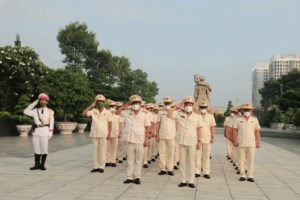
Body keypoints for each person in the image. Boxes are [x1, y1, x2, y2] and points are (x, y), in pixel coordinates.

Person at [168, 96, 203, 188]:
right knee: (182, 162)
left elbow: (199, 129)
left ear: (193, 105)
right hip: (182, 141)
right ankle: (183, 180)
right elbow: (168, 114)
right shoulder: (179, 114)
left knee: (191, 162)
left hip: (192, 141)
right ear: (184, 105)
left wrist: (199, 141)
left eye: (190, 104)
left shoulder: (197, 116)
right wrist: (176, 106)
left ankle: (191, 181)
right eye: (186, 104)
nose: (188, 106)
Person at [121, 95, 150, 185]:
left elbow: (147, 127)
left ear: (140, 104)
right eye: (133, 103)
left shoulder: (145, 114)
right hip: (129, 139)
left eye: (137, 103)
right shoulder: (126, 112)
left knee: (138, 159)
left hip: (139, 139)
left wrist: (146, 140)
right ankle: (129, 177)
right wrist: (126, 105)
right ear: (131, 104)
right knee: (130, 159)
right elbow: (117, 113)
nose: (135, 105)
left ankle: (137, 176)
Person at [24, 93, 54, 171]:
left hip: (45, 131)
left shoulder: (50, 111)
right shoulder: (35, 111)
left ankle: (42, 165)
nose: (43, 102)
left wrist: (50, 132)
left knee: (44, 149)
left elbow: (52, 122)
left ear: (47, 101)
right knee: (36, 148)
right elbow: (25, 111)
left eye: (44, 100)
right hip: (37, 131)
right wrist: (35, 102)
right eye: (41, 100)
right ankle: (36, 165)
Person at [82, 95, 112, 173]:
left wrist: (109, 134)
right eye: (98, 101)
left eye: (101, 101)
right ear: (96, 102)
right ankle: (96, 166)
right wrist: (91, 106)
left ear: (104, 102)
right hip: (95, 133)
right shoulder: (93, 111)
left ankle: (102, 166)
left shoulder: (108, 112)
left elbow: (110, 124)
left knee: (102, 150)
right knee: (95, 151)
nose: (100, 103)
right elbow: (84, 113)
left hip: (104, 133)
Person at [233, 103, 261, 182]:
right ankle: (242, 174)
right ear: (242, 111)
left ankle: (250, 175)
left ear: (251, 111)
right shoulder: (238, 119)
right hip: (241, 142)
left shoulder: (254, 120)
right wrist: (235, 140)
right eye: (245, 110)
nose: (247, 111)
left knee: (250, 159)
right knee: (241, 159)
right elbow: (235, 131)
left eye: (248, 110)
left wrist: (258, 142)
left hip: (251, 142)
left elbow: (257, 132)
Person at [195, 101, 216, 179]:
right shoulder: (196, 116)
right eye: (201, 107)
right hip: (197, 138)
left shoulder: (211, 116)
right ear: (199, 108)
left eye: (204, 108)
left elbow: (212, 127)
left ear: (207, 108)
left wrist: (213, 137)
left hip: (207, 138)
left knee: (206, 155)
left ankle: (206, 172)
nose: (203, 109)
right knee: (197, 155)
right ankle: (197, 171)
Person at [156, 97, 177, 176]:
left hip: (171, 135)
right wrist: (157, 134)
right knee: (162, 152)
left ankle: (170, 168)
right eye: (166, 103)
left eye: (168, 103)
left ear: (171, 104)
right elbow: (158, 124)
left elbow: (177, 124)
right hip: (162, 135)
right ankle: (163, 168)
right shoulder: (160, 112)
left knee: (171, 153)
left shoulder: (175, 113)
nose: (167, 105)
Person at [106, 100, 121, 167]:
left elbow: (120, 125)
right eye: (111, 106)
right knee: (107, 147)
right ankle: (107, 160)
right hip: (108, 133)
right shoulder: (106, 115)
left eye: (113, 106)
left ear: (115, 107)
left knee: (114, 147)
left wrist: (120, 133)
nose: (112, 107)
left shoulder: (117, 116)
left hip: (115, 133)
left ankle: (113, 160)